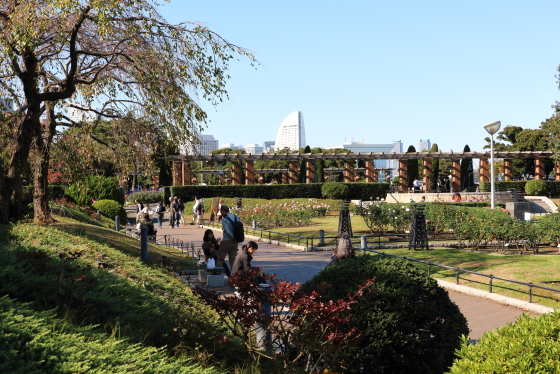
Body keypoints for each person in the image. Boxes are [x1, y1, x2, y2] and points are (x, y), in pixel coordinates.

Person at [216, 205, 239, 270]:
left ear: (223, 211)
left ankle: (218, 276)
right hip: (235, 243)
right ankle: (233, 278)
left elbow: (227, 231)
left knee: (220, 259)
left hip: (226, 241)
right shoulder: (236, 217)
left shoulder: (224, 219)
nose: (220, 213)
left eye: (220, 211)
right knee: (233, 261)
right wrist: (236, 239)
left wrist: (233, 237)